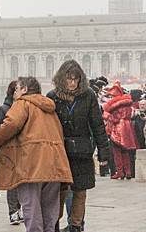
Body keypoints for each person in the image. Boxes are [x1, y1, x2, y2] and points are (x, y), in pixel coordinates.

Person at [0, 76, 73, 232]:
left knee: (31, 207)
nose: (14, 93)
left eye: (17, 89)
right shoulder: (49, 108)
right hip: (54, 163)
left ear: (25, 90)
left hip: (31, 163)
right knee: (50, 210)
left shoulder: (23, 103)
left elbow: (11, 124)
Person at [47, 60, 109, 232]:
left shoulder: (88, 95)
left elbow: (97, 124)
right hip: (60, 151)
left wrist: (104, 152)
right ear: (62, 79)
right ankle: (53, 224)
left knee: (80, 191)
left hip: (82, 150)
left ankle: (76, 225)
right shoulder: (52, 96)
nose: (73, 83)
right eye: (69, 79)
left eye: (76, 79)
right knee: (58, 191)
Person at [0, 80, 24, 225]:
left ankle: (19, 210)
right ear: (13, 92)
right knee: (12, 182)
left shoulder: (25, 107)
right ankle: (13, 211)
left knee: (21, 181)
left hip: (23, 149)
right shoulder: (4, 109)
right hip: (8, 149)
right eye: (19, 90)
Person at [102, 82, 138, 180]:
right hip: (127, 128)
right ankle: (128, 172)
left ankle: (120, 172)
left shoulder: (114, 106)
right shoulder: (128, 104)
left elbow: (115, 119)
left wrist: (107, 116)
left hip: (118, 128)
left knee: (116, 151)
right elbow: (131, 115)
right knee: (125, 151)